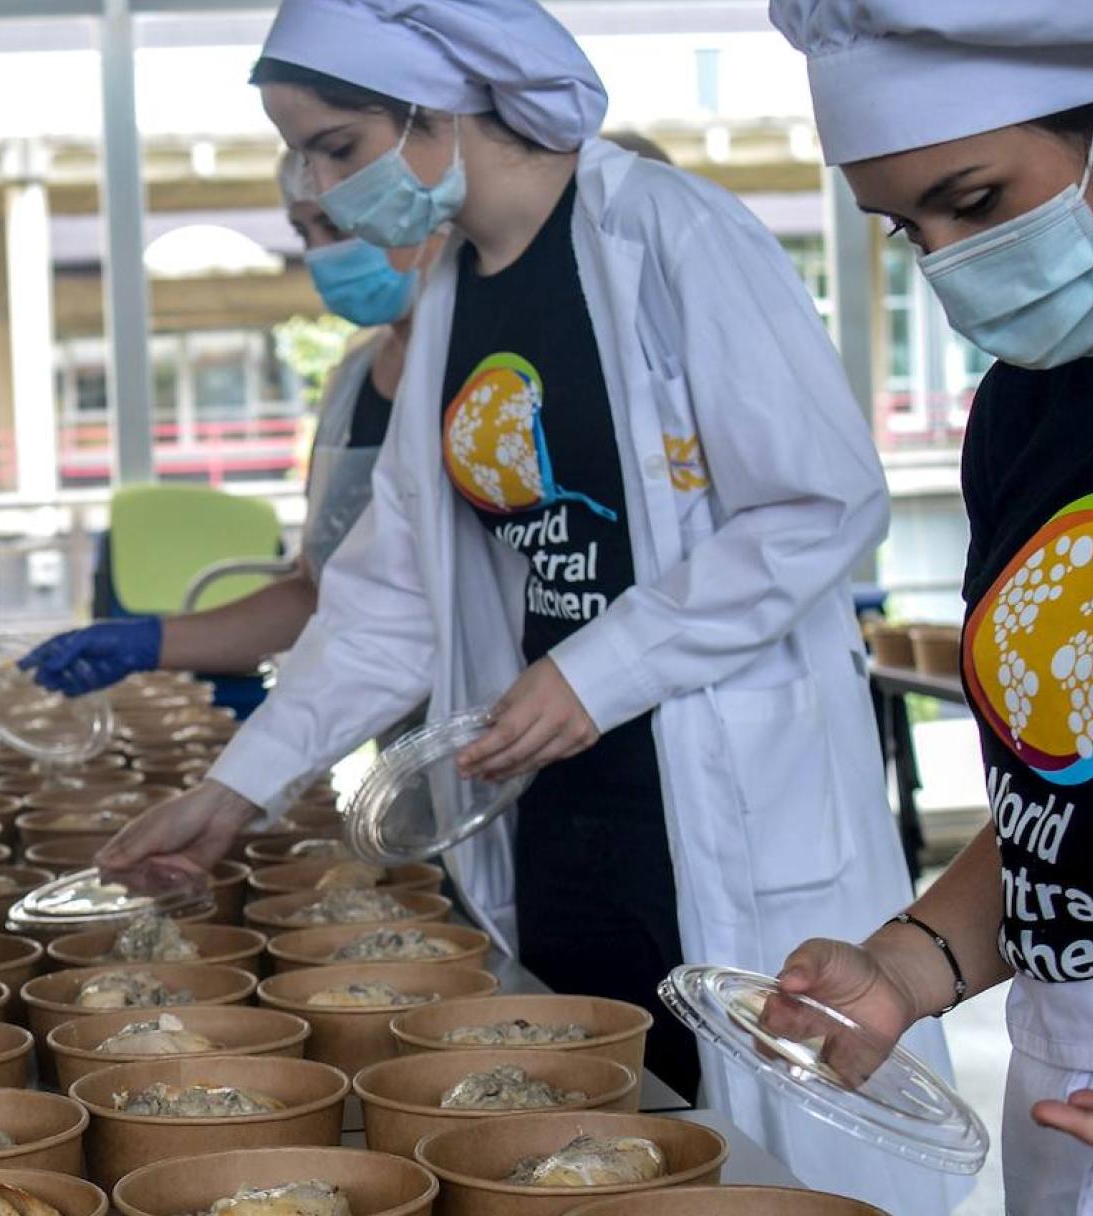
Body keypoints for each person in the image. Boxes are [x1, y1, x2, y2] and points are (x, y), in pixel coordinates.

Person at [93, 1, 965, 1210]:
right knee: (601, 1134)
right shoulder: (454, 287)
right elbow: (393, 589)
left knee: (762, 1161)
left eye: (338, 146)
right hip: (558, 802)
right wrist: (240, 784)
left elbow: (818, 501)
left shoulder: (668, 231)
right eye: (301, 152)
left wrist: (596, 670)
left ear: (441, 112)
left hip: (714, 797)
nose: (320, 186)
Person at [764, 5, 1092, 1210]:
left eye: (981, 201)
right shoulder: (1026, 412)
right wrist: (913, 961)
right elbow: (1063, 801)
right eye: (911, 229)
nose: (951, 260)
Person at [23, 150, 436, 693]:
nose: (320, 253)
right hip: (386, 715)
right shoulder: (351, 381)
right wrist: (151, 642)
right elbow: (318, 594)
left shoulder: (474, 366)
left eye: (335, 224)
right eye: (304, 231)